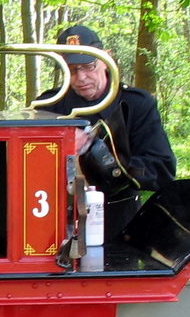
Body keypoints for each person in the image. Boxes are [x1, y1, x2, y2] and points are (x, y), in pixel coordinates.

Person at [38, 24, 177, 238]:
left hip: (117, 224)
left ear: (106, 59)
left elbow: (161, 169)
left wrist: (99, 156)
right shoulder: (48, 106)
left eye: (88, 67)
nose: (80, 78)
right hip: (53, 219)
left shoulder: (135, 104)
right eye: (71, 70)